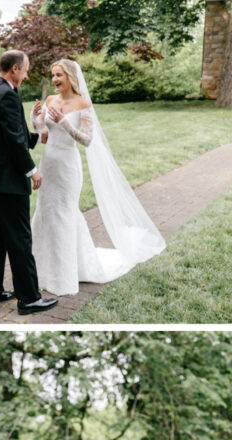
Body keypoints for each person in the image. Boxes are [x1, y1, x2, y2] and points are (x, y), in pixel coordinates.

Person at [30, 59, 165, 296]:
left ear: (71, 76)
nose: (55, 80)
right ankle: (41, 271)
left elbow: (87, 140)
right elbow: (40, 130)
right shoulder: (51, 100)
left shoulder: (83, 104)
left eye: (59, 75)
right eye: (53, 75)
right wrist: (35, 118)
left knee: (64, 213)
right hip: (49, 163)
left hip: (67, 166)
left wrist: (64, 122)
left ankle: (66, 274)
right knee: (46, 212)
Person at [0, 50, 59, 315]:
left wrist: (38, 138)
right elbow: (12, 139)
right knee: (21, 238)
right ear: (14, 69)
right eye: (25, 70)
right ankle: (29, 298)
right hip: (9, 181)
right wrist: (32, 170)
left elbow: (14, 132)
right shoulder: (8, 95)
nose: (26, 74)